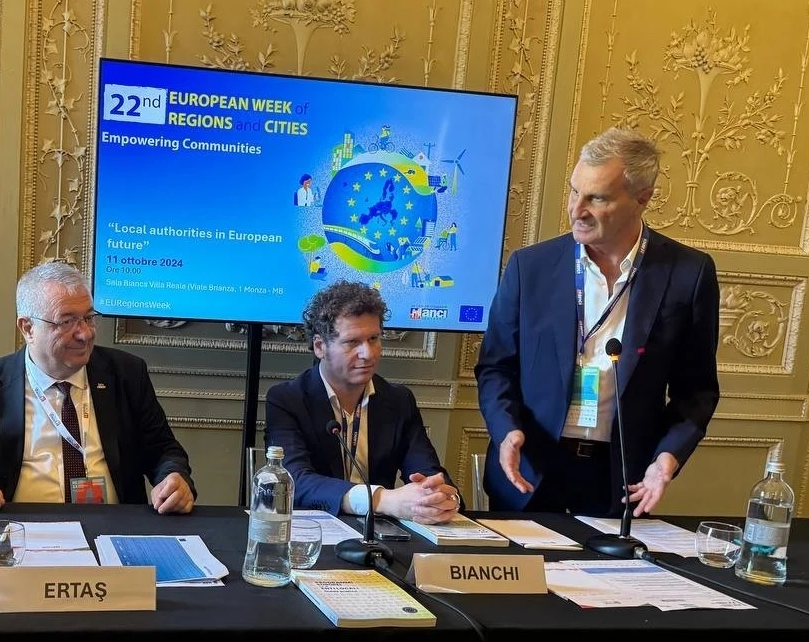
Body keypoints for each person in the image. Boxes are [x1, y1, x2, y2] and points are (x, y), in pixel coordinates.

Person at [474, 126, 720, 517]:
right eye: (574, 192)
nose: (576, 210)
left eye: (596, 198)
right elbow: (495, 367)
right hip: (530, 472)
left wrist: (667, 459)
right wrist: (506, 430)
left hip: (621, 481)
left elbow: (697, 391)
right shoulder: (529, 268)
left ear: (642, 198)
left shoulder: (688, 274)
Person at [0, 261, 197, 513]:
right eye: (67, 321)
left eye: (89, 318)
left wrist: (174, 477)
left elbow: (163, 450)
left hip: (112, 524)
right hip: (19, 527)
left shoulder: (126, 373)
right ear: (28, 328)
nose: (85, 334)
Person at [265, 280, 460, 524]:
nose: (368, 354)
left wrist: (440, 497)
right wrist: (382, 500)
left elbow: (427, 472)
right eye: (352, 342)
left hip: (381, 533)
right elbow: (295, 481)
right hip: (313, 529)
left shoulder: (399, 400)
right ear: (320, 346)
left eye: (374, 339)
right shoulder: (287, 399)